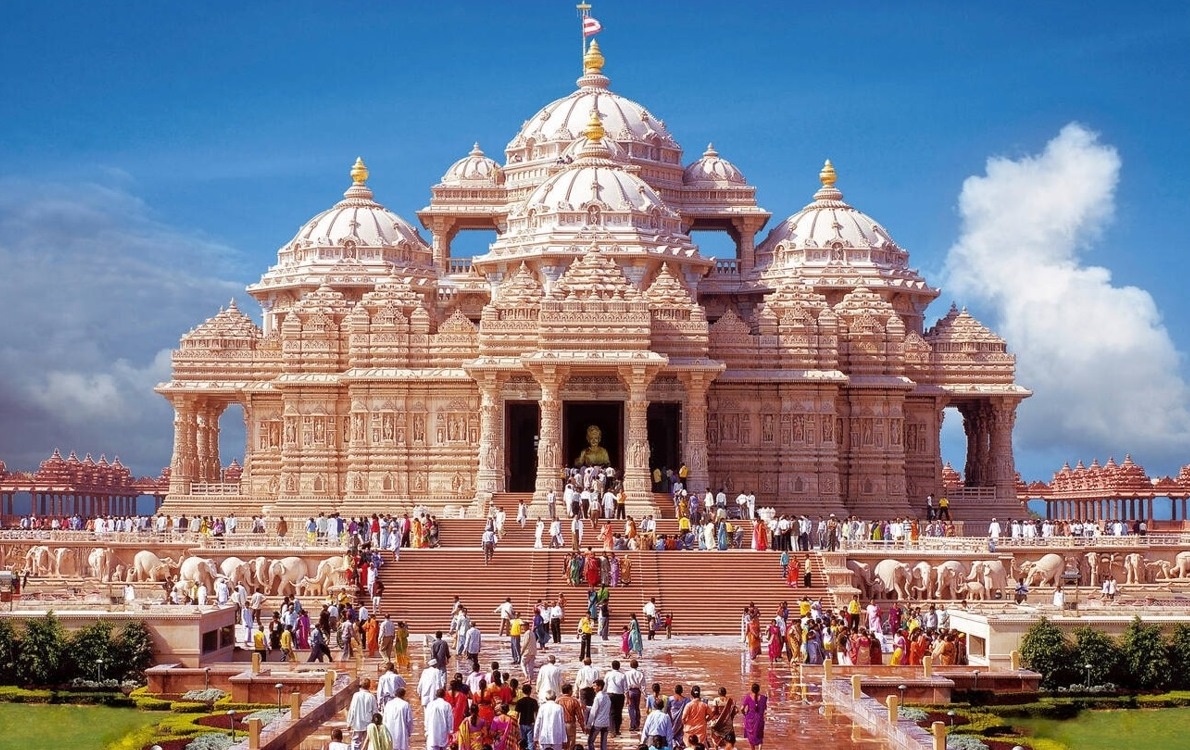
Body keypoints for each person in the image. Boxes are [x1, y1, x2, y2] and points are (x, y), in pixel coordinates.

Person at [346, 677, 379, 750]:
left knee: (356, 741)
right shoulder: (371, 697)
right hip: (368, 723)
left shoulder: (356, 695)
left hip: (358, 722)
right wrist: (376, 724)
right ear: (369, 686)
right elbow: (375, 712)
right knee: (366, 741)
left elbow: (352, 710)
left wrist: (349, 723)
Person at [587, 679, 612, 750]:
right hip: (606, 723)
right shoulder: (607, 696)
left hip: (598, 723)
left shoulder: (598, 697)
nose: (593, 687)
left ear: (600, 687)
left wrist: (588, 725)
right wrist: (586, 707)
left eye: (595, 686)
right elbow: (599, 708)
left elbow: (593, 711)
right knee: (604, 744)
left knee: (590, 741)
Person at [741, 683, 766, 750]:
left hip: (750, 720)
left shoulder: (748, 697)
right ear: (759, 689)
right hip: (760, 719)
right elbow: (764, 709)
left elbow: (741, 708)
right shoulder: (764, 698)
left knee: (751, 737)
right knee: (760, 736)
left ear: (751, 690)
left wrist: (745, 714)